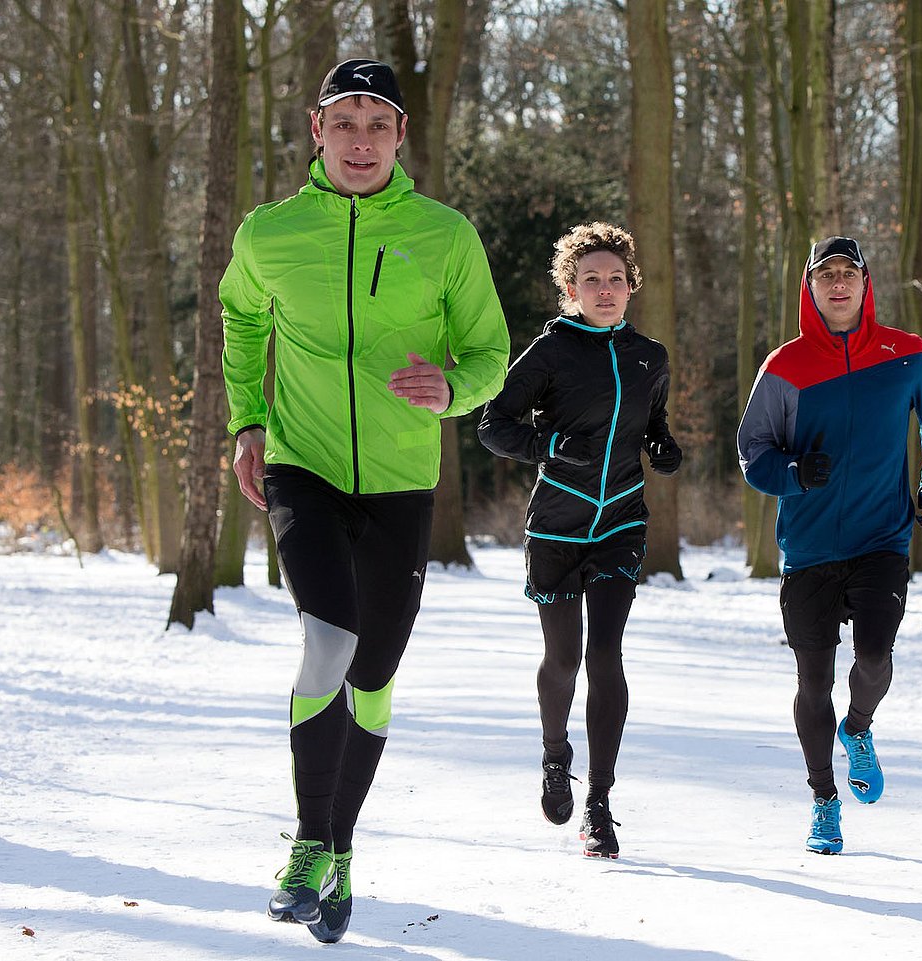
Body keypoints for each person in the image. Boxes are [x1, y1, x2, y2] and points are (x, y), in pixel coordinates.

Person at [220, 58, 510, 940]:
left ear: (400, 137)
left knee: (373, 676)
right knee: (327, 640)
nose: (358, 140)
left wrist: (451, 389)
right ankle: (310, 844)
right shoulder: (269, 233)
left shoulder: (445, 234)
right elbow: (240, 314)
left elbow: (491, 355)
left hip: (400, 481)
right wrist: (248, 420)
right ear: (316, 130)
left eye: (375, 123)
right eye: (342, 122)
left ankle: (341, 848)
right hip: (301, 466)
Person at [736, 236, 922, 855]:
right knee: (813, 679)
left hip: (881, 537)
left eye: (848, 274)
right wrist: (795, 474)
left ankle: (857, 727)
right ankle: (823, 800)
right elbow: (753, 453)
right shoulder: (784, 366)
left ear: (866, 283)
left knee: (876, 654)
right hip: (807, 548)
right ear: (809, 286)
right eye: (825, 274)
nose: (838, 284)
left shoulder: (907, 355)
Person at [477, 222, 682, 859]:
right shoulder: (550, 351)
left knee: (607, 659)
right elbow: (493, 425)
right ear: (570, 289)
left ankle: (600, 803)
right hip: (557, 527)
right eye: (591, 279)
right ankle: (554, 756)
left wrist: (663, 446)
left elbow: (652, 422)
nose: (605, 289)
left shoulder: (650, 356)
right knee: (564, 659)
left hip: (621, 520)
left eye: (616, 279)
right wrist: (549, 446)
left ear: (631, 288)